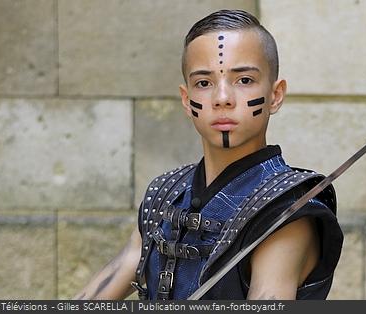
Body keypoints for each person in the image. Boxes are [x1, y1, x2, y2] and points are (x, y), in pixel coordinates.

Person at [75, 9, 343, 300]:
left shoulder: (286, 210)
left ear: (275, 95)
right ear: (187, 99)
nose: (222, 99)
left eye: (244, 81)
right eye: (204, 83)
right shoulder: (166, 195)